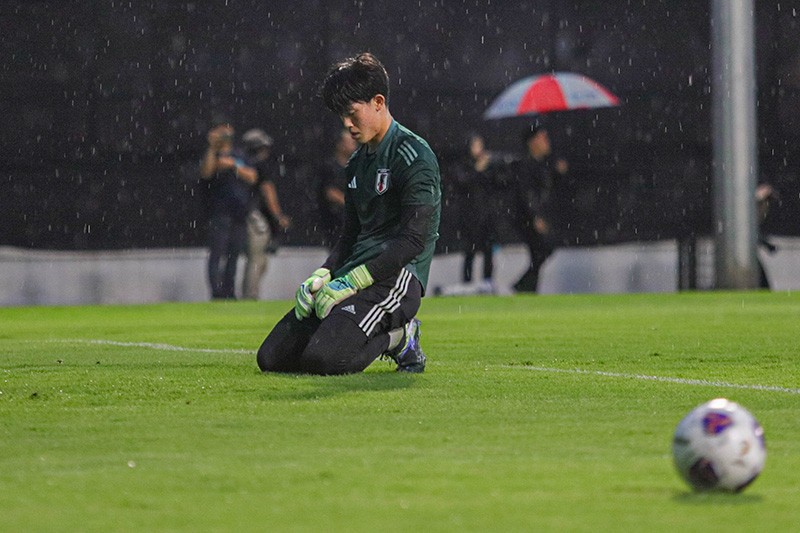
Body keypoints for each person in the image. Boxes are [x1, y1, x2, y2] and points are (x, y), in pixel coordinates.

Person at [257, 52, 441, 375]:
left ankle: (401, 338)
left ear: (378, 102)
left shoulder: (414, 155)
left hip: (395, 278)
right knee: (271, 358)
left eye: (352, 113)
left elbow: (413, 241)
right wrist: (323, 274)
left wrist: (354, 281)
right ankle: (355, 328)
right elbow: (350, 236)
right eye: (342, 115)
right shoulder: (357, 162)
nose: (346, 123)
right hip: (355, 275)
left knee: (324, 360)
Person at [199, 120, 257, 299]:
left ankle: (229, 291)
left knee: (234, 254)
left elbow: (252, 177)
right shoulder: (213, 154)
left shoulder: (239, 154)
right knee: (217, 253)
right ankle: (217, 293)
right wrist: (212, 147)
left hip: (239, 212)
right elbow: (206, 173)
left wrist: (233, 165)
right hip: (220, 212)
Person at [507, 123, 568, 293]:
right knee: (541, 250)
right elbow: (527, 194)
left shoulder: (542, 164)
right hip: (526, 217)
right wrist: (535, 216)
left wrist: (558, 174)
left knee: (541, 252)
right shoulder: (526, 165)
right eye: (542, 138)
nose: (547, 142)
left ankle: (526, 287)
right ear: (532, 142)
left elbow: (546, 187)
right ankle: (523, 286)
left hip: (534, 215)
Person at [240, 128, 291, 300]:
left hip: (243, 214)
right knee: (257, 259)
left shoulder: (242, 163)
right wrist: (278, 216)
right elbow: (268, 190)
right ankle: (250, 296)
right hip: (256, 215)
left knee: (257, 259)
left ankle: (249, 295)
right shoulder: (259, 165)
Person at [451, 132, 498, 293]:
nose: (479, 149)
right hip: (469, 217)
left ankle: (487, 283)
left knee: (488, 251)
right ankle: (467, 284)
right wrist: (478, 168)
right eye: (476, 145)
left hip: (486, 215)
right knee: (469, 252)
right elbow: (463, 182)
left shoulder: (487, 166)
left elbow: (498, 183)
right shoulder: (463, 165)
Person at [317, 128, 358, 247]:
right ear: (340, 145)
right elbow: (330, 192)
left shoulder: (356, 166)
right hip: (335, 220)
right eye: (350, 142)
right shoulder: (330, 167)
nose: (354, 146)